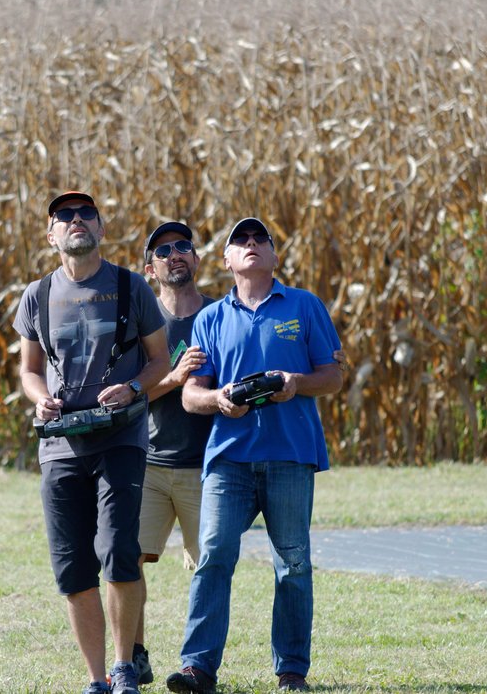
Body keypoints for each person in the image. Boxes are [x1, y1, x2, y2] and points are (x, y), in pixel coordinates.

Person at [165, 217, 344, 694]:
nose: (250, 244)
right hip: (229, 460)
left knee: (293, 563)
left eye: (259, 239)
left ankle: (291, 671)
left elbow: (333, 377)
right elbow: (191, 396)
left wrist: (295, 383)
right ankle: (197, 668)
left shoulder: (304, 306)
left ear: (274, 255)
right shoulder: (210, 319)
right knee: (213, 555)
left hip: (290, 455)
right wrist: (220, 399)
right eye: (240, 240)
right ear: (226, 260)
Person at [13, 191, 171, 694]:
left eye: (86, 215)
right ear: (51, 235)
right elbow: (29, 370)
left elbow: (160, 360)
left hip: (120, 440)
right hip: (60, 448)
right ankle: (97, 678)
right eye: (65, 216)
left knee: (119, 551)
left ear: (101, 229)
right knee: (72, 566)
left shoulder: (130, 286)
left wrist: (133, 388)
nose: (76, 220)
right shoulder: (37, 295)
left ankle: (124, 668)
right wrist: (40, 398)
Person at [131, 222, 215, 685]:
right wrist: (175, 378)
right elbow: (126, 396)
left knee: (210, 568)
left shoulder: (220, 315)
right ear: (150, 269)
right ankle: (134, 656)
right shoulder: (142, 324)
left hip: (208, 467)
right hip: (149, 465)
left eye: (183, 246)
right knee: (127, 560)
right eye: (162, 251)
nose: (175, 254)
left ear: (196, 259)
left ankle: (195, 664)